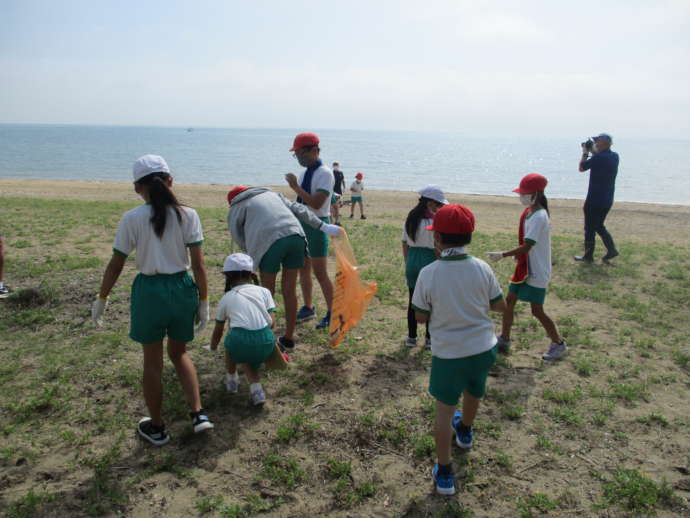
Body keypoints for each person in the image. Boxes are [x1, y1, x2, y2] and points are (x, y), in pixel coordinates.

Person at [92, 154, 213, 446]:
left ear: (137, 188)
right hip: (182, 288)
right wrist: (204, 300)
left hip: (149, 292)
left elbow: (116, 264)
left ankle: (157, 427)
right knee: (179, 353)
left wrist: (102, 298)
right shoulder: (189, 214)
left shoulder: (131, 218)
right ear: (170, 181)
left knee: (152, 363)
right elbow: (198, 265)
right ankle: (198, 414)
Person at [412, 204, 506, 496]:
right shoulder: (482, 267)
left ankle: (444, 472)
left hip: (449, 354)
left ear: (437, 238)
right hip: (483, 349)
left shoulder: (429, 273)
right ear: (470, 236)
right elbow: (499, 305)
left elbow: (421, 316)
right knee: (474, 391)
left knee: (443, 413)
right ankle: (465, 431)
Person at [227, 185, 341, 351]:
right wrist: (323, 226)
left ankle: (267, 339)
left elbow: (238, 237)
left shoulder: (236, 207)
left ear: (232, 200)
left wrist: (252, 255)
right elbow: (299, 209)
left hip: (268, 242)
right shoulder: (272, 194)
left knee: (267, 293)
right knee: (289, 291)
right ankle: (288, 338)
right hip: (296, 236)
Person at [487, 173, 567, 361]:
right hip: (525, 268)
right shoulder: (530, 212)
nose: (521, 197)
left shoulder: (539, 216)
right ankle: (504, 338)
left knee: (536, 310)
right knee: (509, 302)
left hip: (537, 271)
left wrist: (503, 254)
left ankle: (558, 343)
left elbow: (527, 246)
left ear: (536, 194)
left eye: (524, 193)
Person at [209, 253, 276, 406]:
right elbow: (272, 322)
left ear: (227, 276)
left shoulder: (227, 297)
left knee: (233, 344)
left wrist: (213, 347)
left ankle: (231, 379)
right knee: (247, 355)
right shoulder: (264, 291)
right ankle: (256, 390)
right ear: (251, 274)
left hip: (240, 342)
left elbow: (218, 330)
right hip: (267, 341)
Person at [285, 132, 336, 330]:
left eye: (300, 153)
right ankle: (308, 306)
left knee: (320, 272)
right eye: (296, 154)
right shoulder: (305, 172)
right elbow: (303, 202)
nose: (298, 158)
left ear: (313, 150)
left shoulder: (324, 173)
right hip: (302, 223)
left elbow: (316, 203)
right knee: (303, 269)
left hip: (317, 224)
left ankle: (333, 312)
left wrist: (296, 188)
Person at [402, 185, 448, 348]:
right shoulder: (434, 221)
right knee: (431, 302)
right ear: (430, 203)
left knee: (413, 301)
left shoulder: (411, 217)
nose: (440, 208)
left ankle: (411, 337)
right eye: (439, 205)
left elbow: (404, 243)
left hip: (413, 259)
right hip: (429, 259)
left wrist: (408, 262)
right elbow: (437, 247)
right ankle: (429, 339)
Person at [575, 133, 619, 264]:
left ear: (604, 143)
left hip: (594, 199)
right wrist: (592, 151)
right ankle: (611, 250)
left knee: (589, 228)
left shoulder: (598, 158)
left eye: (597, 142)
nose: (595, 144)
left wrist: (584, 152)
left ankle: (588, 256)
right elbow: (600, 157)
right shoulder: (614, 156)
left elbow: (582, 168)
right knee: (599, 225)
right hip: (607, 199)